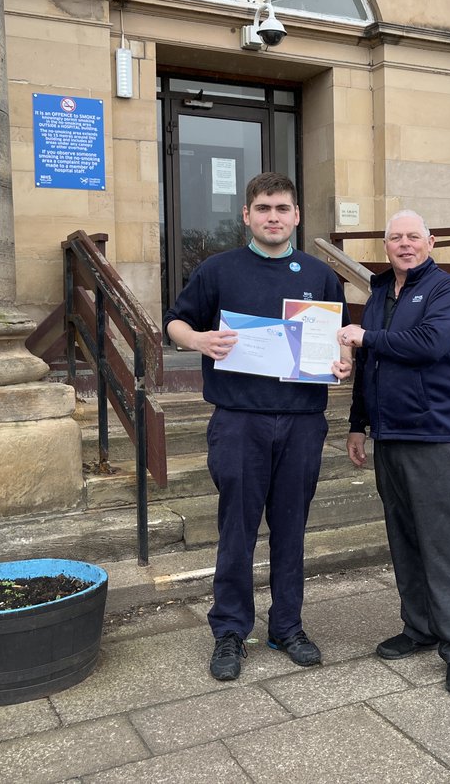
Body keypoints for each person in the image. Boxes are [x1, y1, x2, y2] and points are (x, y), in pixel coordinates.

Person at [164, 172, 351, 682]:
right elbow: (174, 323)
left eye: (283, 208)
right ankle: (230, 630)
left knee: (291, 529)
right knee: (237, 530)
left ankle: (287, 626)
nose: (273, 216)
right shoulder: (217, 270)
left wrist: (342, 362)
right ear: (246, 215)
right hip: (239, 420)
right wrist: (199, 341)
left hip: (302, 422)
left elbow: (340, 338)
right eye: (264, 208)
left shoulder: (319, 275)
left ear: (295, 216)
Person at [339, 209, 450, 694]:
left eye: (413, 237)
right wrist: (358, 425)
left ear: (431, 242)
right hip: (390, 436)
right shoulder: (380, 294)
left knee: (444, 544)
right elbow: (370, 365)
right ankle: (419, 628)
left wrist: (367, 337)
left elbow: (429, 343)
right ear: (386, 246)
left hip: (437, 436)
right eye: (395, 237)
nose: (404, 244)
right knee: (405, 538)